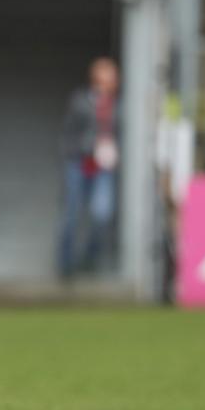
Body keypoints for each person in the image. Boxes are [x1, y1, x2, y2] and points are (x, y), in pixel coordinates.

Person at [58, 57, 120, 278]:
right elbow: (68, 132)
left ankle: (90, 258)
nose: (111, 83)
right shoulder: (80, 100)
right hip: (79, 162)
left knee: (102, 213)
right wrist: (80, 150)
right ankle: (65, 263)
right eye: (107, 78)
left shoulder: (119, 105)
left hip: (103, 167)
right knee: (71, 214)